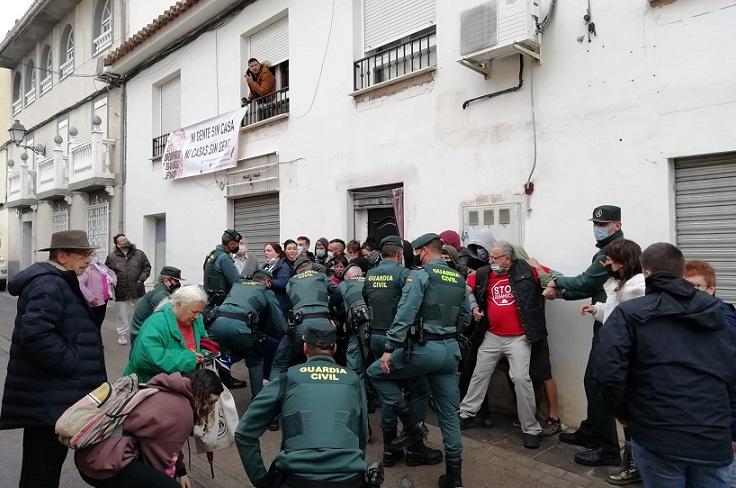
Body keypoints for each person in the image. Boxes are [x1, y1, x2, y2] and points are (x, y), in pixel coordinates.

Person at [595, 243, 736, 488]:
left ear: (647, 273)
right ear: (680, 271)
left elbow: (608, 373)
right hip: (713, 436)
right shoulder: (721, 314)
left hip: (658, 436)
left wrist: (623, 412)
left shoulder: (630, 314)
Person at [1, 230, 107, 488]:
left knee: (43, 467)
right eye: (82, 255)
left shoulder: (62, 280)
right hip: (47, 395)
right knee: (41, 469)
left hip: (51, 395)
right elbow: (35, 335)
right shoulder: (49, 284)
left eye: (89, 253)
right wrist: (73, 362)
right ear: (62, 256)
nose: (88, 260)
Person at [367, 233, 471, 488]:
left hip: (424, 349)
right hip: (450, 352)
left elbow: (406, 311)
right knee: (449, 415)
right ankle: (455, 479)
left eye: (417, 251)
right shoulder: (458, 278)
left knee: (375, 372)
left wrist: (390, 348)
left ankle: (412, 424)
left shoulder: (421, 275)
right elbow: (466, 318)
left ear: (424, 251)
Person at [235, 321, 368, 488]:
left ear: (305, 347)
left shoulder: (288, 378)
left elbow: (244, 433)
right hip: (349, 479)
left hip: (297, 478)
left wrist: (262, 481)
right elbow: (362, 435)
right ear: (334, 348)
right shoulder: (353, 380)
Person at [545, 204, 624, 467]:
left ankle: (608, 448)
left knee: (598, 382)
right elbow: (589, 285)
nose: (598, 229)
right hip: (604, 317)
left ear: (617, 226)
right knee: (592, 379)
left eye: (603, 225)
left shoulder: (613, 252)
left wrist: (554, 281)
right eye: (596, 224)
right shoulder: (606, 251)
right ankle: (591, 430)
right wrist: (562, 292)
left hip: (611, 323)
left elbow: (585, 282)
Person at [363, 235, 440, 468]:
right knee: (419, 389)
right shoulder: (404, 274)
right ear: (398, 255)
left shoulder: (370, 274)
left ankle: (389, 450)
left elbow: (367, 299)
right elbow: (411, 305)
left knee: (387, 388)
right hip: (395, 341)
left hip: (375, 336)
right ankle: (413, 435)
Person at [459, 241, 544, 449]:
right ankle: (467, 413)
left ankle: (531, 428)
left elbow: (554, 279)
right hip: (492, 335)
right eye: (490, 257)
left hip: (519, 337)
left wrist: (541, 270)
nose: (491, 261)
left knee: (521, 378)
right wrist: (473, 307)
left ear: (508, 258)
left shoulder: (527, 270)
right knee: (480, 373)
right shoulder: (483, 273)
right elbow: (465, 289)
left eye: (495, 257)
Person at [75, 369, 223, 488]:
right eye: (210, 401)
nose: (209, 407)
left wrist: (181, 470)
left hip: (91, 451)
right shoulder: (182, 412)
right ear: (201, 394)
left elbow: (166, 445)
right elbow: (160, 461)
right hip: (101, 463)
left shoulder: (168, 388)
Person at [577, 238, 644, 485]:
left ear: (621, 261)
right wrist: (596, 310)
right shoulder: (625, 284)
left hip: (625, 356)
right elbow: (615, 312)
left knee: (627, 411)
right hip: (618, 351)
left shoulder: (635, 288)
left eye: (610, 259)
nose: (606, 263)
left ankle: (632, 464)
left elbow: (624, 320)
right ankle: (631, 461)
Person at [209, 269, 287, 400]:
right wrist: (286, 334)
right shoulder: (266, 291)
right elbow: (279, 321)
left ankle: (211, 392)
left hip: (216, 326)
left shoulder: (238, 285)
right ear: (267, 282)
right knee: (255, 362)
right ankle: (258, 402)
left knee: (216, 357)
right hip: (242, 328)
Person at [125, 285, 208, 384]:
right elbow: (145, 358)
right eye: (194, 312)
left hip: (179, 383)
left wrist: (206, 353)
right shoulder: (157, 322)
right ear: (178, 304)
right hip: (151, 385)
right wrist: (189, 359)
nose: (197, 316)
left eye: (200, 312)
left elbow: (203, 341)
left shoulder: (196, 321)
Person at [271, 256, 337, 377]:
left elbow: (289, 298)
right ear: (310, 267)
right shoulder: (320, 276)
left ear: (296, 270)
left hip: (301, 323)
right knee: (325, 358)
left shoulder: (292, 281)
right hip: (324, 321)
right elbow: (337, 291)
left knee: (293, 360)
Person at [106, 233, 151, 345]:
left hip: (138, 288)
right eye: (122, 241)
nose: (125, 241)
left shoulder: (139, 254)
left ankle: (141, 333)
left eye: (125, 239)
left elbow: (147, 267)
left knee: (140, 312)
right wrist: (112, 284)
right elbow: (107, 273)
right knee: (122, 314)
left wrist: (141, 279)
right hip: (121, 289)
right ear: (117, 244)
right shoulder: (112, 257)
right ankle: (122, 335)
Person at [129, 266, 183, 347]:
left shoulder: (160, 290)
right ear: (166, 281)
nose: (178, 284)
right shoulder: (160, 295)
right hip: (142, 338)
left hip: (143, 333)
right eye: (176, 281)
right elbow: (170, 317)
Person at [203, 229, 242, 314]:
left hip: (209, 301)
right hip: (220, 303)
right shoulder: (224, 258)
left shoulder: (212, 254)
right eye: (237, 244)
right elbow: (236, 282)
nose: (238, 247)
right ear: (231, 244)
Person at [78, 250, 117, 327]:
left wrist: (112, 284)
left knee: (99, 322)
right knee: (93, 324)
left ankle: (97, 337)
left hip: (104, 299)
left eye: (96, 255)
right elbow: (80, 284)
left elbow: (112, 274)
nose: (95, 257)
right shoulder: (87, 269)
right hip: (94, 301)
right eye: (93, 255)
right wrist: (90, 298)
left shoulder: (101, 266)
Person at [263, 241, 292, 317]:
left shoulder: (283, 266)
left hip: (279, 303)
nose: (266, 253)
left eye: (269, 251)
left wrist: (268, 282)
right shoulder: (265, 266)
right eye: (264, 251)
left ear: (278, 253)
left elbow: (283, 282)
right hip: (268, 302)